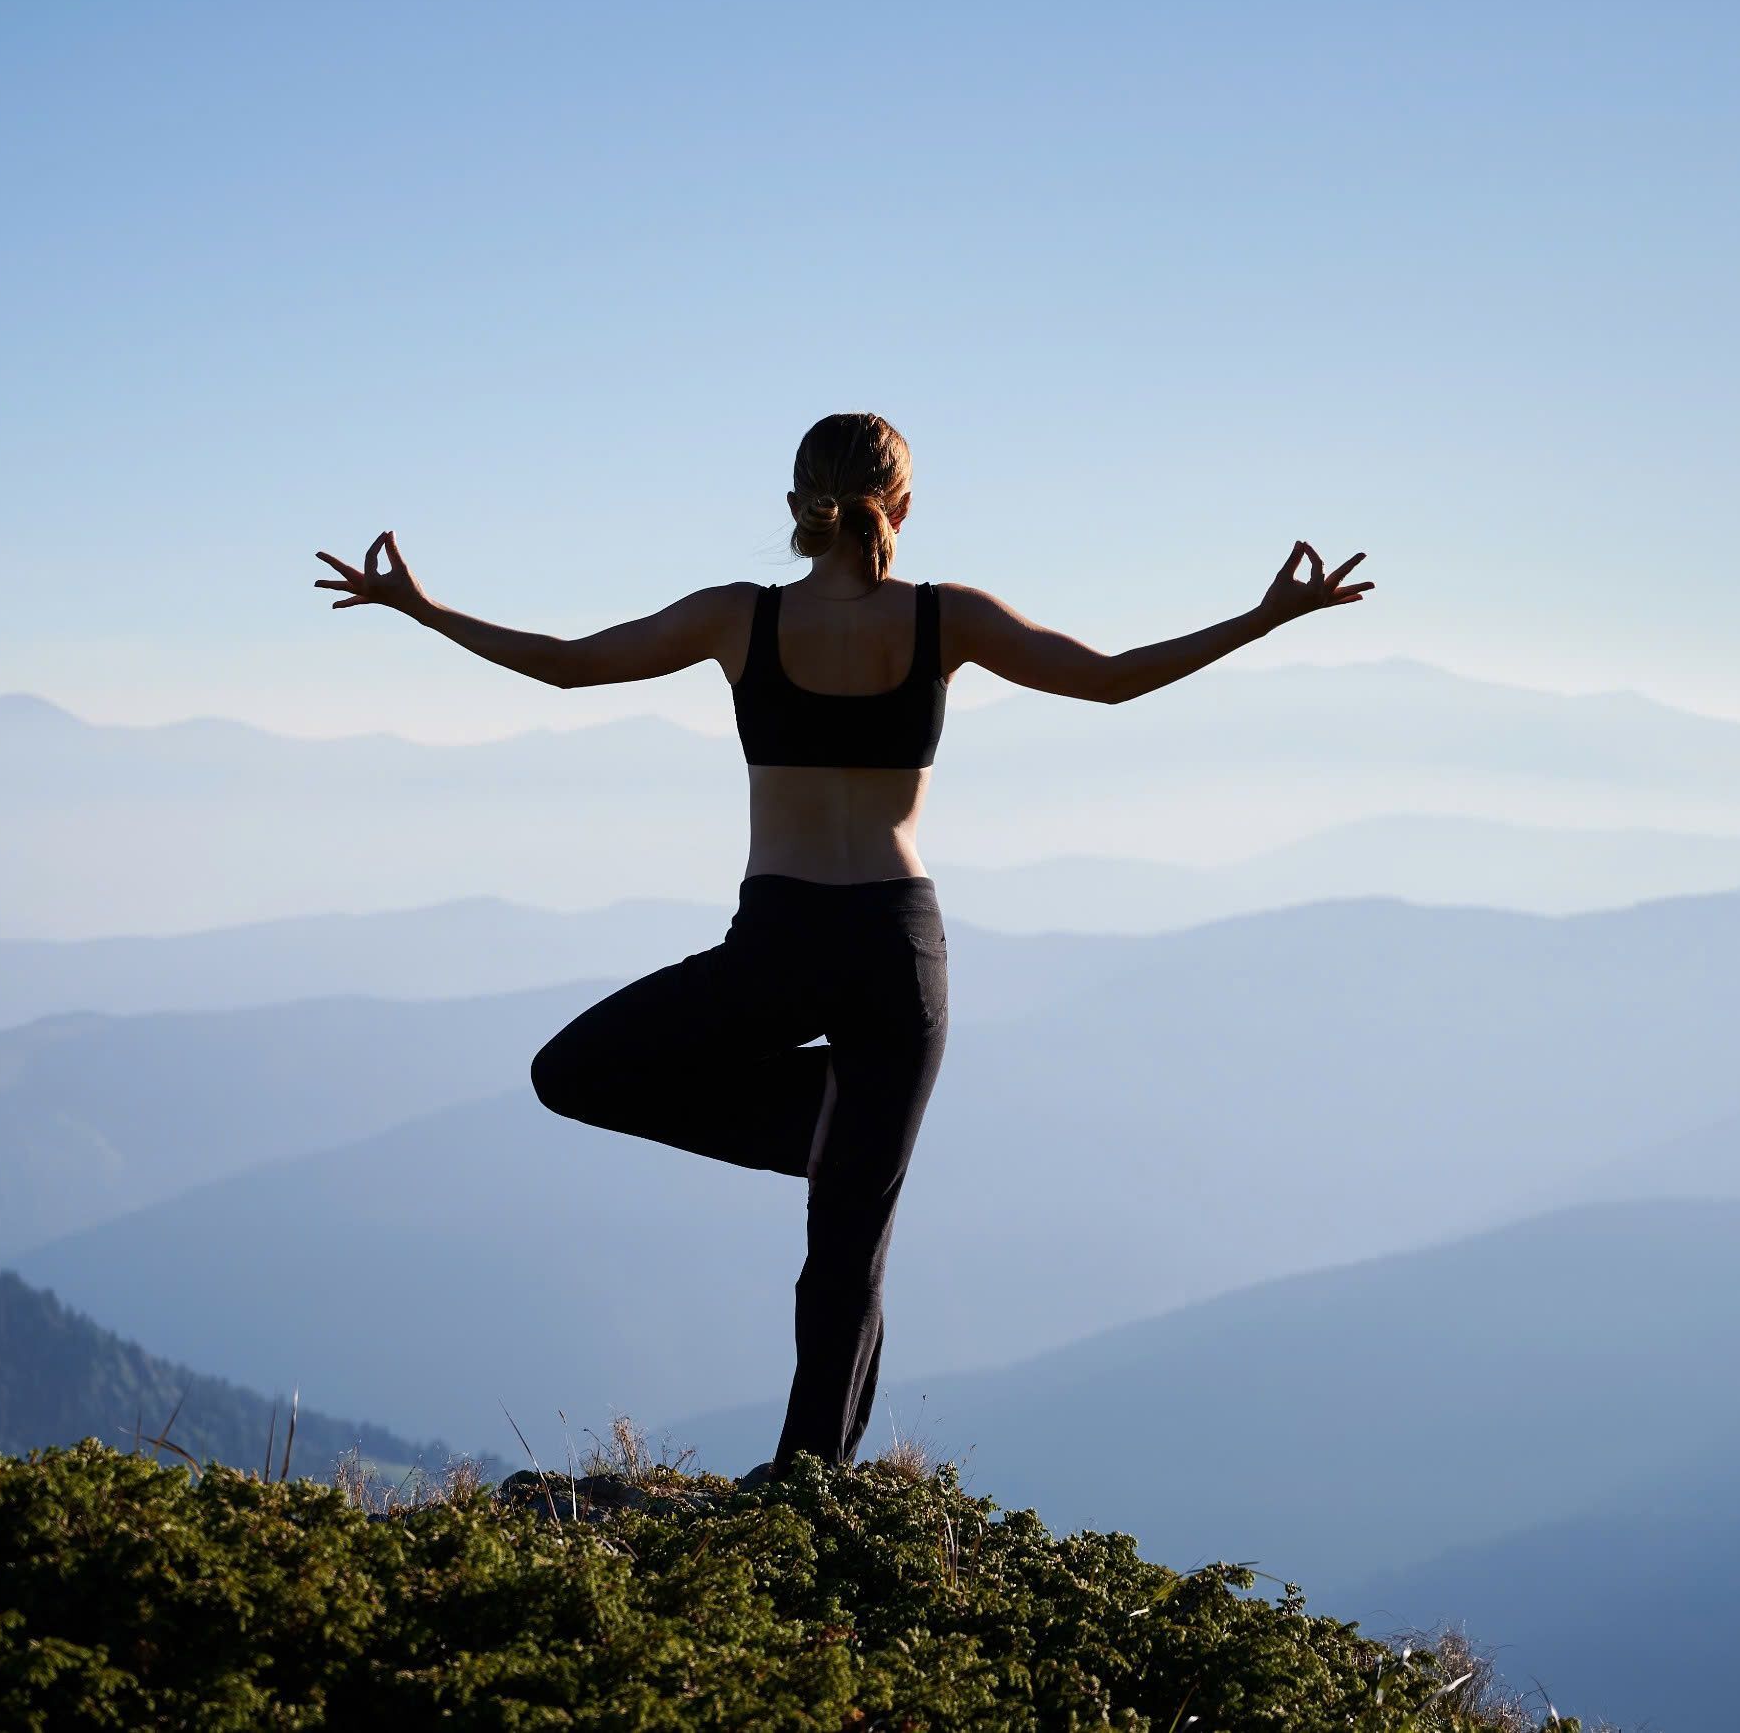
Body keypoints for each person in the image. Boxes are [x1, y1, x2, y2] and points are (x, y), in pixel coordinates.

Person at [313, 411, 1372, 1481]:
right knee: (847, 1246)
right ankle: (809, 1476)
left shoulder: (740, 619)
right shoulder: (945, 617)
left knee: (577, 1071)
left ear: (795, 504)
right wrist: (1264, 618)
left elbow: (567, 667)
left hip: (778, 939)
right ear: (901, 507)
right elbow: (1108, 678)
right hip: (895, 952)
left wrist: (420, 608)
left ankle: (807, 1451)